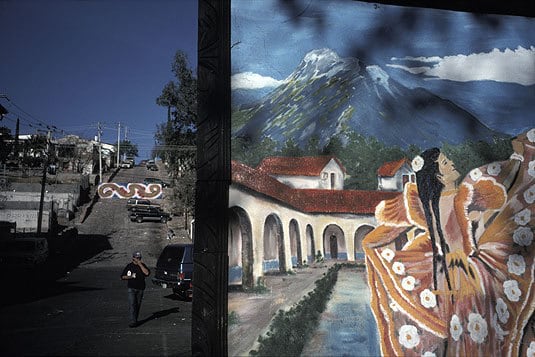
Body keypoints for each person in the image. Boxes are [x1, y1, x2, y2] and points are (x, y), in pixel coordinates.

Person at [363, 129, 535, 356]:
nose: (452, 164)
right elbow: (498, 197)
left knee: (462, 329)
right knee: (478, 328)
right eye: (445, 163)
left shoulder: (426, 203)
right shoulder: (462, 196)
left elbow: (384, 227)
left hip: (443, 273)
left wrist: (370, 247)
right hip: (469, 273)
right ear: (439, 176)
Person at [121, 251, 150, 328]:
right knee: (132, 304)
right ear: (133, 258)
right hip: (131, 288)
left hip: (140, 288)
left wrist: (140, 264)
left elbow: (147, 273)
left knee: (137, 305)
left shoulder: (142, 265)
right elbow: (122, 276)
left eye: (139, 258)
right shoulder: (129, 266)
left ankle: (135, 320)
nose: (138, 259)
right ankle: (132, 321)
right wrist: (131, 277)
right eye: (137, 258)